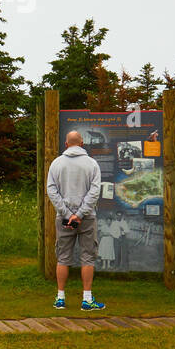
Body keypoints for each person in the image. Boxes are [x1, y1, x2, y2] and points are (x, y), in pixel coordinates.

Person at [45, 130, 104, 310]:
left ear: (66, 144)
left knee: (62, 257)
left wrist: (66, 213)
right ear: (82, 143)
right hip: (87, 218)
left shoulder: (56, 164)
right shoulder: (92, 164)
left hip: (63, 218)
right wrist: (79, 214)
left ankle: (60, 298)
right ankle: (87, 299)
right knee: (87, 257)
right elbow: (94, 192)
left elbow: (51, 190)